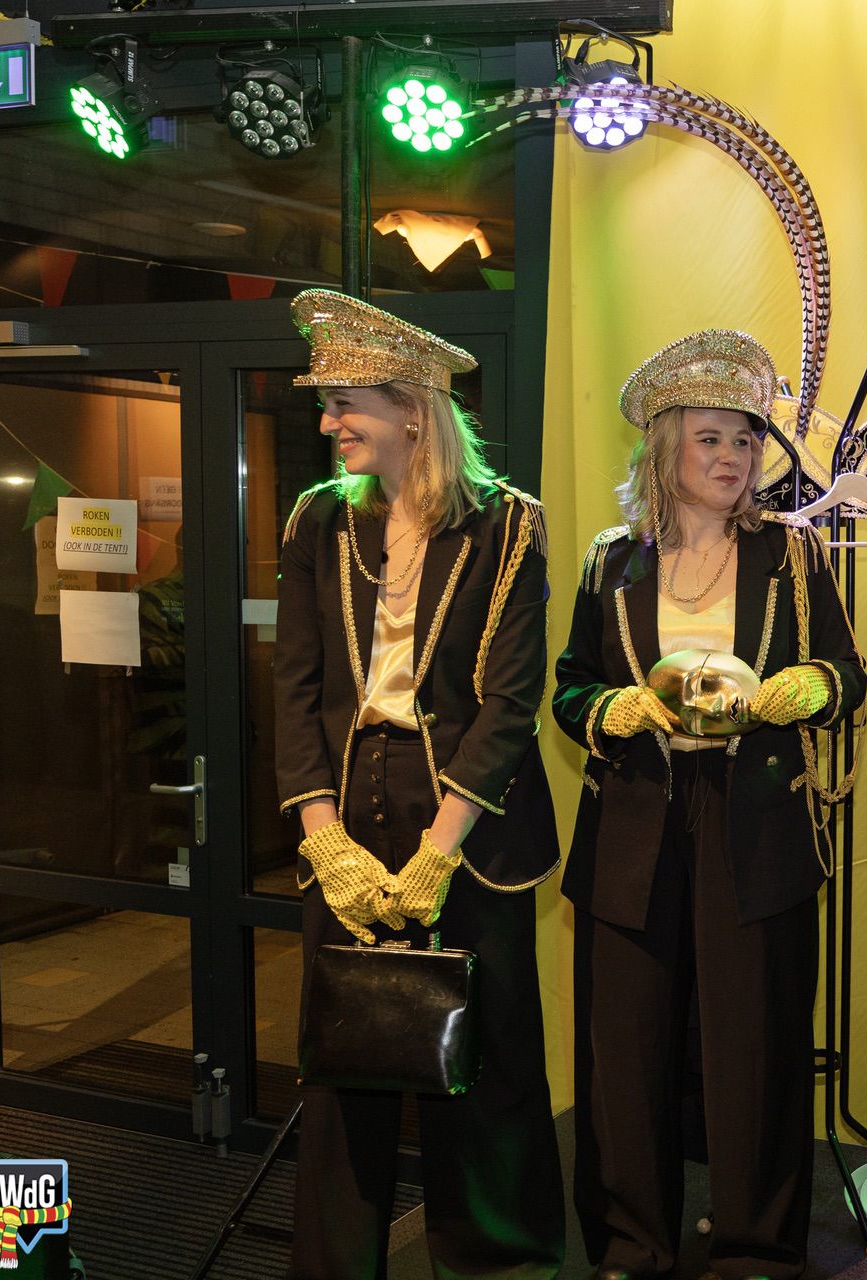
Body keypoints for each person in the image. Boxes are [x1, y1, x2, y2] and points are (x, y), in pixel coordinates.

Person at [551, 329, 866, 1280]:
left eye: (746, 438)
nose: (733, 457)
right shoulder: (613, 560)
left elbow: (847, 673)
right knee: (627, 1049)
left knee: (755, 1045)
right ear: (665, 447)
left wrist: (804, 690)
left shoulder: (792, 554)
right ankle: (631, 1246)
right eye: (711, 439)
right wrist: (613, 709)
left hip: (754, 821)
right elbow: (569, 687)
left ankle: (755, 1249)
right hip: (633, 822)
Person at [274, 289, 564, 1278]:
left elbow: (510, 704)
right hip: (348, 793)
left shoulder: (509, 525)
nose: (328, 424)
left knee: (488, 1056)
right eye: (326, 405)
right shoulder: (318, 520)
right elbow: (295, 688)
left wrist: (440, 853)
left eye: (343, 403)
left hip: (469, 812)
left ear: (411, 409)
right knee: (345, 1050)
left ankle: (497, 1264)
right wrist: (323, 838)